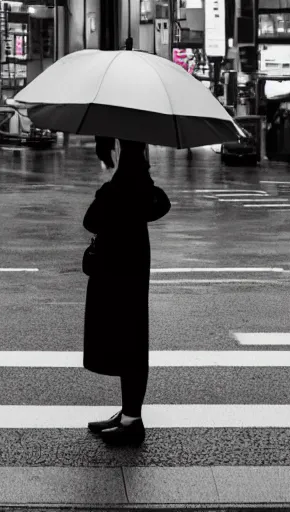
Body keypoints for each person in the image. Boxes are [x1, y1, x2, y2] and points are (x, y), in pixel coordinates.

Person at [83, 137, 170, 446]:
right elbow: (160, 204)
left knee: (130, 342)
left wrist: (107, 189)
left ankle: (132, 421)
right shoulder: (140, 187)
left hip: (119, 273)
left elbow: (91, 220)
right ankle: (128, 413)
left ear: (120, 152)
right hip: (129, 270)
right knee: (128, 340)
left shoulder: (120, 188)